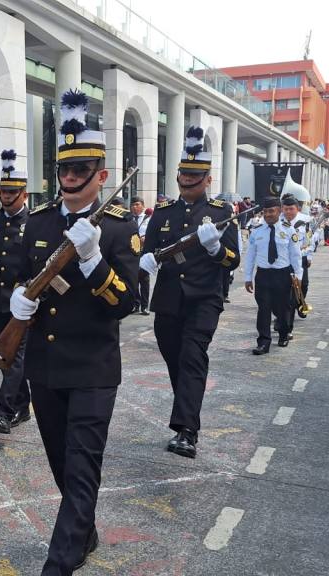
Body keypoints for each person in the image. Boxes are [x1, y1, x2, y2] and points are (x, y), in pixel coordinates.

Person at [7, 89, 138, 574]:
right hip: (44, 368)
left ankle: (58, 563)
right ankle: (84, 531)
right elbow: (18, 278)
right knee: (63, 466)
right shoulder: (39, 222)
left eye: (80, 171)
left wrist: (93, 259)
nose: (68, 178)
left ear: (102, 176)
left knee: (82, 468)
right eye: (64, 169)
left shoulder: (121, 229)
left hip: (92, 369)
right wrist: (17, 299)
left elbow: (126, 302)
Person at [139, 125, 240, 459]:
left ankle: (186, 431)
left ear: (207, 179)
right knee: (175, 362)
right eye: (184, 174)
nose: (188, 180)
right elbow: (147, 250)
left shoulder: (222, 214)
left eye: (195, 176)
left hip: (203, 300)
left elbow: (232, 260)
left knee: (192, 358)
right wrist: (148, 261)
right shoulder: (163, 213)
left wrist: (215, 249)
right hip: (168, 300)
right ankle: (187, 411)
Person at [0, 149, 32, 435]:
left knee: (15, 356)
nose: (7, 196)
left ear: (24, 194)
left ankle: (4, 412)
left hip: (22, 301)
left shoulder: (35, 222)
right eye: (4, 191)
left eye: (13, 192)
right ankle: (23, 404)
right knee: (4, 356)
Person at [244, 197, 301, 355]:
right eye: (265, 212)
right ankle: (263, 342)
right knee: (263, 309)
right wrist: (248, 277)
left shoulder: (289, 230)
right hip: (263, 275)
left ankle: (283, 334)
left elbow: (295, 255)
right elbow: (250, 256)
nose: (268, 214)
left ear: (279, 210)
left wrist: (298, 276)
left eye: (272, 211)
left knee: (281, 309)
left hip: (282, 275)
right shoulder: (257, 231)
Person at [277, 193, 312, 339]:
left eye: (291, 209)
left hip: (301, 258)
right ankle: (285, 325)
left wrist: (309, 255)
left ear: (297, 209)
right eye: (285, 209)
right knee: (285, 294)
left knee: (303, 285)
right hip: (284, 262)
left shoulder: (306, 221)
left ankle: (300, 304)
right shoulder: (277, 222)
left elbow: (310, 240)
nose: (288, 212)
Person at [130, 195, 151, 315]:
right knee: (133, 278)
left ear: (143, 206)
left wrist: (146, 238)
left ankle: (144, 306)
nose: (134, 207)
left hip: (144, 251)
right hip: (131, 252)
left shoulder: (149, 219)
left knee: (144, 279)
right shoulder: (128, 219)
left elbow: (153, 234)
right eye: (133, 205)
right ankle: (135, 304)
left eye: (137, 204)